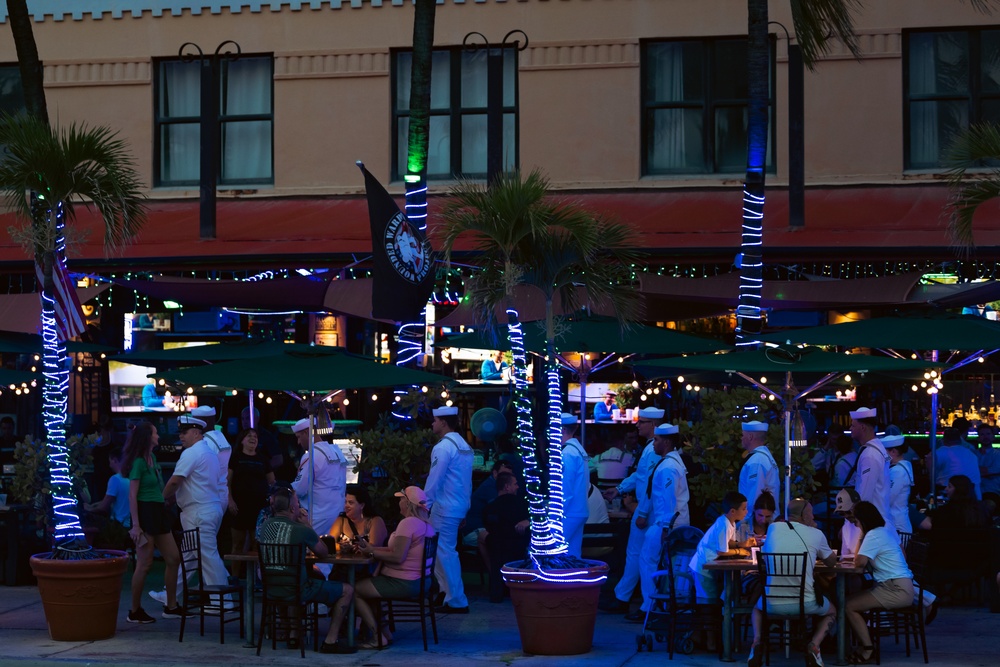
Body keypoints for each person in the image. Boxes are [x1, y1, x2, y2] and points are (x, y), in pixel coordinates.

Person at [258, 486, 356, 654]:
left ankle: (293, 632)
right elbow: (324, 553)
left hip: (271, 589)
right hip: (298, 590)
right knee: (347, 590)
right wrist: (307, 525)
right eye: (297, 503)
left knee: (306, 576)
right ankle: (331, 641)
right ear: (292, 508)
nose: (299, 506)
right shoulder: (301, 530)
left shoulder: (265, 526)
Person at [748, 498, 837, 667]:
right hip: (806, 603)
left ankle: (757, 642)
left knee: (756, 609)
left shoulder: (773, 528)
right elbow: (832, 562)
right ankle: (814, 646)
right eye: (811, 513)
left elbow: (765, 557)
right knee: (833, 611)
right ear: (804, 515)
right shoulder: (815, 533)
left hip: (772, 604)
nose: (813, 517)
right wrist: (816, 532)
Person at [160, 416, 231, 608]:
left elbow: (175, 481)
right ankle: (170, 594)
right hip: (207, 509)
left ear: (196, 433)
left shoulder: (191, 453)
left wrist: (162, 498)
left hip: (198, 511)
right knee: (190, 556)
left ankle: (222, 602)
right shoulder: (209, 453)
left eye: (184, 433)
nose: (181, 437)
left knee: (208, 557)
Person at [354, 487, 437, 648]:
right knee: (368, 589)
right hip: (422, 581)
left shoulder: (408, 523)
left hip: (404, 583)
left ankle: (377, 637)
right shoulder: (425, 525)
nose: (398, 502)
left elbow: (397, 556)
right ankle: (386, 633)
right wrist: (372, 550)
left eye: (401, 499)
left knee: (354, 590)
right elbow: (396, 550)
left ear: (408, 503)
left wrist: (372, 553)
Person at [601, 406, 664, 616]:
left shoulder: (653, 450)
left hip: (649, 511)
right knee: (638, 555)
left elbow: (649, 485)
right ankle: (625, 597)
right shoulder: (649, 448)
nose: (637, 425)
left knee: (644, 557)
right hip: (647, 510)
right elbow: (640, 477)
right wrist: (619, 489)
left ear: (653, 425)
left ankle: (645, 604)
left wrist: (643, 512)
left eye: (642, 422)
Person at [123, 421, 183, 623]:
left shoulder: (152, 458)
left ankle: (171, 605)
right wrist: (136, 525)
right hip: (146, 512)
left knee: (173, 558)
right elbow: (133, 495)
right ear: (148, 437)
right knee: (145, 563)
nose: (159, 436)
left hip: (158, 511)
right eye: (156, 433)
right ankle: (134, 610)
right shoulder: (139, 462)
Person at [844, 501, 915, 665]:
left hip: (895, 589)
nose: (854, 524)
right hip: (899, 586)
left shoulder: (873, 535)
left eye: (856, 520)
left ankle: (867, 649)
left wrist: (861, 535)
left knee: (848, 605)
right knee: (850, 601)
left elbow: (859, 563)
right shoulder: (882, 532)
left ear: (863, 520)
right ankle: (864, 643)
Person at [424, 405, 473, 613]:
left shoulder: (443, 447)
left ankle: (456, 600)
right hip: (458, 506)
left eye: (434, 420)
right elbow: (466, 482)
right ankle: (446, 595)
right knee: (444, 552)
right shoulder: (463, 445)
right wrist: (465, 509)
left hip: (444, 507)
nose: (432, 424)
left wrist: (423, 504)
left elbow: (435, 478)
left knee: (444, 553)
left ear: (443, 422)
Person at [637, 423, 689, 617]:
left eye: (656, 440)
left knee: (648, 561)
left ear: (666, 442)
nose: (654, 444)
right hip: (667, 523)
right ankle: (655, 605)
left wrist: (666, 528)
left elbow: (669, 499)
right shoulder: (670, 463)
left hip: (666, 524)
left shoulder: (668, 467)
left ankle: (650, 607)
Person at [227, 427, 275, 577]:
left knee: (257, 545)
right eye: (249, 436)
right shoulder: (235, 458)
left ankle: (256, 579)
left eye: (255, 436)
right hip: (239, 507)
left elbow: (272, 481)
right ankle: (235, 578)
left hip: (259, 508)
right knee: (237, 544)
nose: (253, 438)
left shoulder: (262, 459)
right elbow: (227, 482)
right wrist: (230, 500)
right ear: (242, 440)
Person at [291, 416, 349, 540]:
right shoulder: (337, 452)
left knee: (313, 555)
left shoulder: (311, 455)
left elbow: (299, 489)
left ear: (306, 432)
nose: (298, 442)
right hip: (338, 515)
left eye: (298, 437)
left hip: (316, 517)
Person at [689, 491, 750, 603]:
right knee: (708, 600)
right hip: (702, 566)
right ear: (732, 511)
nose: (746, 512)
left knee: (713, 595)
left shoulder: (730, 522)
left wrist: (741, 544)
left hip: (708, 564)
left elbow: (728, 542)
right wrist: (738, 551)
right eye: (744, 509)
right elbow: (721, 551)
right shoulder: (724, 525)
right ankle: (710, 619)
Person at [482, 472, 529, 602]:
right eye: (515, 484)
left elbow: (488, 526)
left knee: (484, 538)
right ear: (507, 487)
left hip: (497, 546)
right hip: (519, 545)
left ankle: (495, 584)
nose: (518, 487)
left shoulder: (490, 508)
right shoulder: (522, 505)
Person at [461, 460, 513, 566]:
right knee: (502, 540)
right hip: (472, 531)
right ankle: (495, 574)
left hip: (480, 527)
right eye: (503, 475)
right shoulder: (491, 488)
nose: (506, 479)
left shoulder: (496, 486)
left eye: (509, 476)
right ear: (495, 473)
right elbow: (499, 513)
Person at [848, 407, 892, 523]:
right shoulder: (875, 448)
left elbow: (864, 493)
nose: (850, 428)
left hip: (871, 522)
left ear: (862, 427)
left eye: (853, 425)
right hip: (878, 516)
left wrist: (853, 520)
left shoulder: (870, 454)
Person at [84, 446, 131, 546]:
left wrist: (88, 509)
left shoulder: (115, 479)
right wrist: (93, 505)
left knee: (87, 519)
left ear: (114, 460)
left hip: (117, 525)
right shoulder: (129, 479)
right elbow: (110, 500)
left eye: (110, 461)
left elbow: (104, 507)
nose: (109, 465)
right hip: (129, 523)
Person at [329, 483, 388, 559]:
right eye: (345, 502)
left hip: (367, 567)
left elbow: (374, 547)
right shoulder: (341, 520)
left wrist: (357, 547)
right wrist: (340, 547)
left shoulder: (375, 521)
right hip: (343, 566)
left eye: (351, 503)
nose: (346, 506)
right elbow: (330, 544)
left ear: (362, 505)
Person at [560, 413, 590, 558]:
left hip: (569, 513)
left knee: (552, 553)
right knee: (572, 558)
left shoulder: (567, 453)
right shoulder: (578, 450)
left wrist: (557, 513)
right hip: (579, 511)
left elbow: (566, 488)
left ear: (562, 429)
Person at [191, 405, 232, 512]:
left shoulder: (206, 442)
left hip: (209, 498)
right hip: (221, 494)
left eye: (196, 421)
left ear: (206, 421)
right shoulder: (221, 437)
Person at [918, 474, 991, 531]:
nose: (946, 489)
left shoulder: (945, 511)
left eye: (949, 486)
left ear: (958, 489)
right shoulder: (982, 509)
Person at [738, 421, 779, 511]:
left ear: (750, 436)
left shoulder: (757, 461)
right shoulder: (764, 457)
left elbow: (754, 494)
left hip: (758, 520)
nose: (741, 438)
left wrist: (747, 521)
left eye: (743, 435)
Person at [932, 427, 982, 499]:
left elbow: (931, 472)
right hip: (975, 496)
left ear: (943, 440)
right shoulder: (971, 453)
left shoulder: (941, 451)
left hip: (952, 496)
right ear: (960, 440)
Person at [884, 434, 913, 534]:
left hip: (897, 527)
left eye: (884, 452)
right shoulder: (900, 467)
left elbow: (887, 498)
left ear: (893, 452)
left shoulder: (898, 471)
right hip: (896, 524)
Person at [241, 407, 283, 471]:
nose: (245, 422)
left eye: (248, 418)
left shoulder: (267, 436)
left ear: (257, 419)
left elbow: (278, 459)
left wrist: (261, 469)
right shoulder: (240, 437)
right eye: (243, 419)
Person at [977, 423, 1000, 512]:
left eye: (988, 434)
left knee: (987, 506)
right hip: (974, 492)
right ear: (978, 438)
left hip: (993, 492)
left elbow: (990, 471)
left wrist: (981, 470)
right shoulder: (973, 454)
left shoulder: (998, 454)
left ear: (993, 437)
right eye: (982, 434)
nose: (985, 437)